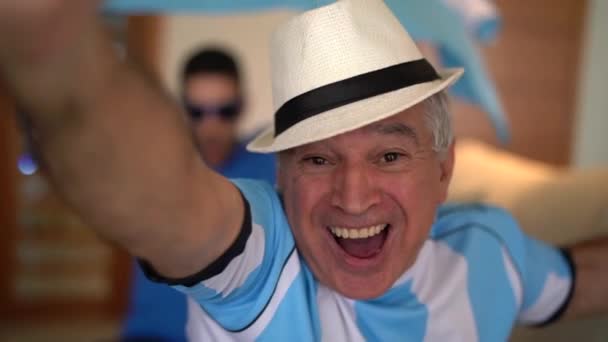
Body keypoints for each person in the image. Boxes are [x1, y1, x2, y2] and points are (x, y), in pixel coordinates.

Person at [1, 0, 607, 341]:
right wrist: (52, 52)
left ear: (443, 169)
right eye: (317, 158)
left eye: (389, 155)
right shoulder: (262, 262)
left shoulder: (490, 248)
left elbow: (579, 279)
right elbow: (171, 205)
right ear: (282, 178)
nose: (353, 195)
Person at [121, 48, 275, 341]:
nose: (211, 127)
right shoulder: (156, 165)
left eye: (225, 111)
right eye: (197, 112)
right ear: (182, 109)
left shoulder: (269, 164)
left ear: (243, 105)